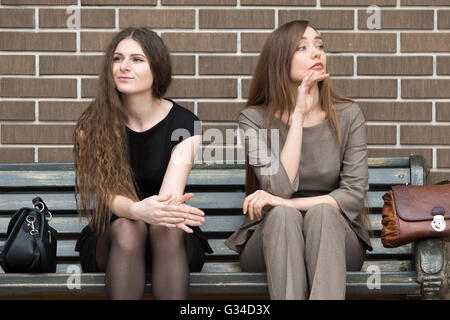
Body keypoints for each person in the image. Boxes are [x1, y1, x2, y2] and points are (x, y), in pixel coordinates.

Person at [225, 20, 373, 300]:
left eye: (319, 45)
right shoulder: (253, 119)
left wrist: (288, 203)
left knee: (323, 213)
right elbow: (278, 190)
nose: (316, 53)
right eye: (302, 47)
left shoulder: (349, 114)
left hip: (335, 238)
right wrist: (297, 117)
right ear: (280, 60)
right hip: (273, 238)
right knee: (282, 215)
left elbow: (352, 196)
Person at [73, 27, 212, 300]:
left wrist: (157, 212)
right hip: (113, 239)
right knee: (128, 228)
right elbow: (108, 196)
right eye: (117, 58)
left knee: (166, 229)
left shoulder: (185, 124)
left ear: (156, 68)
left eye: (137, 59)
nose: (124, 66)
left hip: (168, 238)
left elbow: (168, 200)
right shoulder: (91, 125)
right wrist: (137, 210)